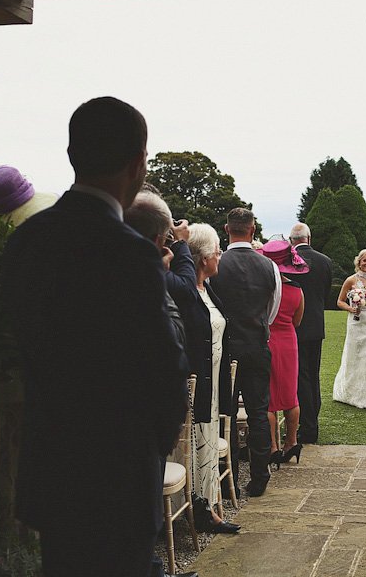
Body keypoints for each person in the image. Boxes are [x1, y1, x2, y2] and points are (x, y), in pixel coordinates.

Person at [4, 97, 191, 577]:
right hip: (118, 471)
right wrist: (153, 446)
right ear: (137, 165)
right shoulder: (131, 254)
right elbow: (165, 367)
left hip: (52, 462)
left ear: (72, 156)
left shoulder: (28, 240)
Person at [124, 193, 240, 539]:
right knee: (191, 447)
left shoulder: (209, 289)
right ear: (203, 257)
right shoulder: (181, 284)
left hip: (212, 380)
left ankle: (208, 507)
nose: (220, 257)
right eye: (217, 252)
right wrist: (182, 247)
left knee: (206, 444)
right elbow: (185, 295)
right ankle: (195, 512)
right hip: (191, 381)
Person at [209, 207, 281, 497]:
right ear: (252, 230)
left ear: (227, 230)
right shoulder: (270, 267)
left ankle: (229, 479)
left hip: (225, 348)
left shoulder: (217, 264)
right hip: (256, 345)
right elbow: (272, 311)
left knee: (223, 412)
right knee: (258, 411)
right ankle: (260, 476)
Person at [257, 240, 307, 464]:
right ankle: (292, 442)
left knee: (268, 398)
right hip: (289, 342)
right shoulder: (297, 289)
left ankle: (273, 447)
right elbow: (297, 321)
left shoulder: (263, 289)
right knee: (290, 395)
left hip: (267, 340)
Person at [288, 222, 333, 444]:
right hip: (316, 324)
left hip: (294, 324)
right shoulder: (325, 261)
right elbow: (325, 293)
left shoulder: (288, 261)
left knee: (300, 377)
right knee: (312, 375)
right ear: (309, 238)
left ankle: (308, 428)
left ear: (291, 240)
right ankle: (313, 421)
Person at [332, 249, 366, 409]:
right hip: (356, 322)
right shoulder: (350, 280)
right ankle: (353, 394)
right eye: (365, 261)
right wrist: (351, 309)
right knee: (355, 357)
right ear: (359, 262)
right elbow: (340, 301)